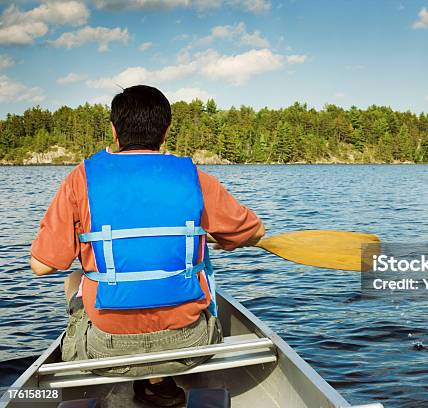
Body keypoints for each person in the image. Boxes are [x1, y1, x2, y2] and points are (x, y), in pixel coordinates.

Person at [30, 85, 265, 407]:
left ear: (114, 131)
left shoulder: (80, 179)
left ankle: (149, 380)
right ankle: (158, 381)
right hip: (190, 345)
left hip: (106, 352)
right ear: (166, 131)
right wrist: (208, 236)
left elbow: (42, 265)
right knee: (193, 280)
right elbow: (252, 232)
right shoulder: (194, 177)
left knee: (74, 280)